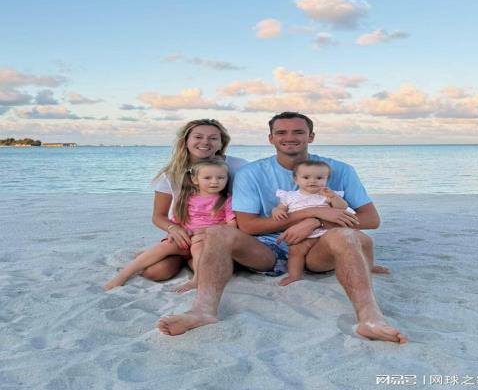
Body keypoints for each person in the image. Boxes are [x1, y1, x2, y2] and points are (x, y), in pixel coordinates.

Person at [158, 112, 407, 344]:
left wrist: (317, 221)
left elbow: (371, 219)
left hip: (317, 248)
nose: (290, 137)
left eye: (298, 132)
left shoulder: (340, 169)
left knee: (345, 234)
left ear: (311, 136)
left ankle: (370, 319)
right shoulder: (251, 173)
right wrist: (309, 212)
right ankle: (202, 311)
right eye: (281, 132)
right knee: (216, 232)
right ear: (271, 138)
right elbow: (248, 226)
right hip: (268, 248)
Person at [109, 119, 247, 285]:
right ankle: (163, 259)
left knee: (209, 265)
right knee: (155, 273)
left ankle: (191, 262)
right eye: (198, 137)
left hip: (212, 235)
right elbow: (158, 216)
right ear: (186, 141)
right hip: (185, 233)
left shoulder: (239, 167)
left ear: (221, 143)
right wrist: (174, 229)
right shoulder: (172, 174)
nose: (205, 142)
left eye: (213, 138)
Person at [104, 159, 236, 291]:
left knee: (198, 248)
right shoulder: (186, 198)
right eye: (207, 178)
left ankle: (196, 280)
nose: (214, 181)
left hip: (206, 240)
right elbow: (177, 222)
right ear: (195, 180)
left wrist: (203, 231)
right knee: (165, 246)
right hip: (185, 238)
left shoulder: (227, 200)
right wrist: (173, 233)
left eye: (220, 178)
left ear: (227, 179)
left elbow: (231, 225)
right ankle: (124, 274)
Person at [271, 159, 388, 286]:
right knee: (295, 251)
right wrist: (276, 211)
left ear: (326, 179)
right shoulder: (289, 196)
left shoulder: (327, 195)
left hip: (327, 230)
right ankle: (294, 275)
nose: (312, 181)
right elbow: (280, 208)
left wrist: (333, 197)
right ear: (296, 179)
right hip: (303, 235)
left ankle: (368, 266)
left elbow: (342, 207)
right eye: (306, 177)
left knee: (365, 241)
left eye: (319, 178)